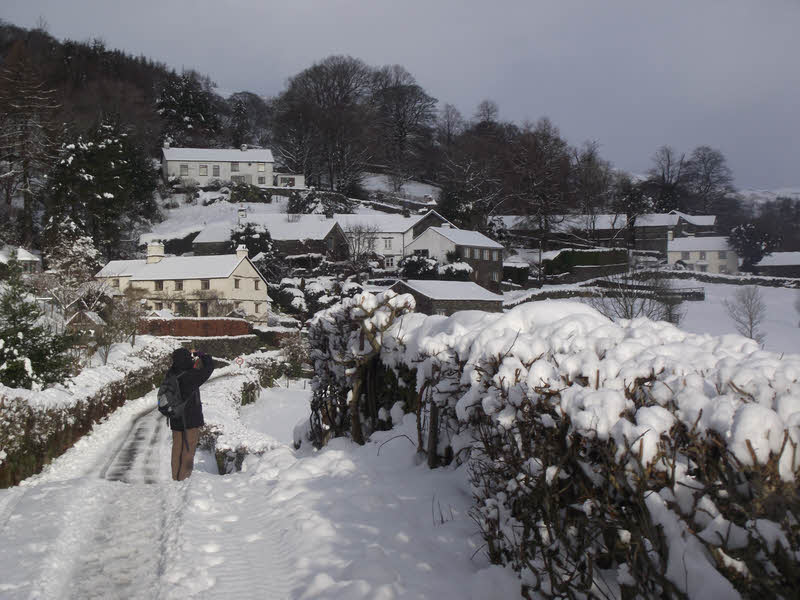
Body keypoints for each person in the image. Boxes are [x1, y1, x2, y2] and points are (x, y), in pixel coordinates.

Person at [167, 347, 214, 481]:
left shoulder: (171, 373)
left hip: (175, 417)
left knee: (177, 448)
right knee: (188, 449)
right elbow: (209, 367)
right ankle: (183, 479)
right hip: (191, 419)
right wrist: (200, 353)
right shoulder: (192, 375)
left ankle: (175, 477)